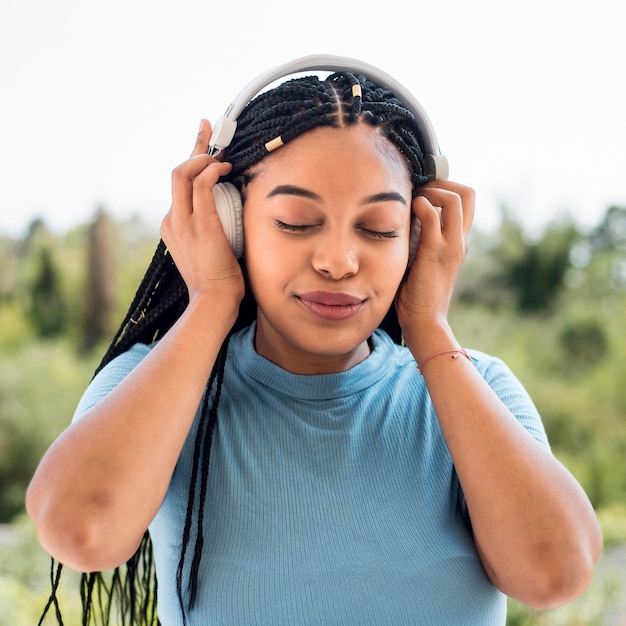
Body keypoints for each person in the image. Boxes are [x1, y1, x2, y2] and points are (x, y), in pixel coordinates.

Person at [26, 56, 602, 626]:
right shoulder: (151, 383)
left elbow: (554, 575)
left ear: (419, 237)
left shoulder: (481, 389)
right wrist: (211, 300)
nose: (338, 261)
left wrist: (429, 328)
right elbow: (81, 534)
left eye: (379, 230)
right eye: (297, 222)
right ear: (229, 220)